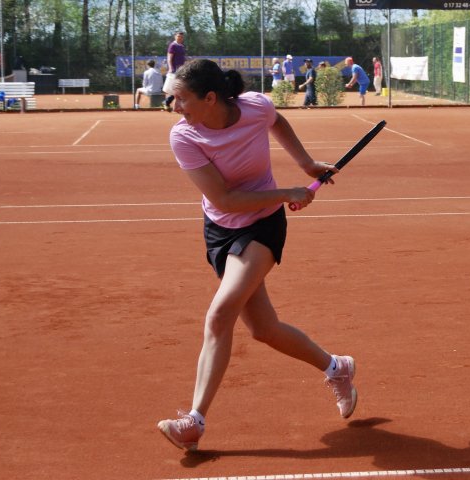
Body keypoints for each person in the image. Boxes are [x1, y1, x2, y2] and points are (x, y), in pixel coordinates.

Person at [157, 59, 357, 452]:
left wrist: (306, 164)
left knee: (220, 314)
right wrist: (286, 192)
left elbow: (276, 121)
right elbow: (225, 199)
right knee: (264, 329)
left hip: (263, 226)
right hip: (221, 228)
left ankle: (195, 421)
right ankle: (337, 367)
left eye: (180, 99)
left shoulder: (255, 107)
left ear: (210, 98)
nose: (174, 107)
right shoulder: (184, 136)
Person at [162, 31, 186, 112]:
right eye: (178, 36)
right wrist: (170, 67)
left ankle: (167, 103)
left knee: (178, 88)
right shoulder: (173, 45)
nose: (180, 38)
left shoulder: (182, 46)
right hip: (174, 70)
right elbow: (169, 58)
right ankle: (167, 102)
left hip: (181, 69)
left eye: (181, 37)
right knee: (175, 88)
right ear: (175, 37)